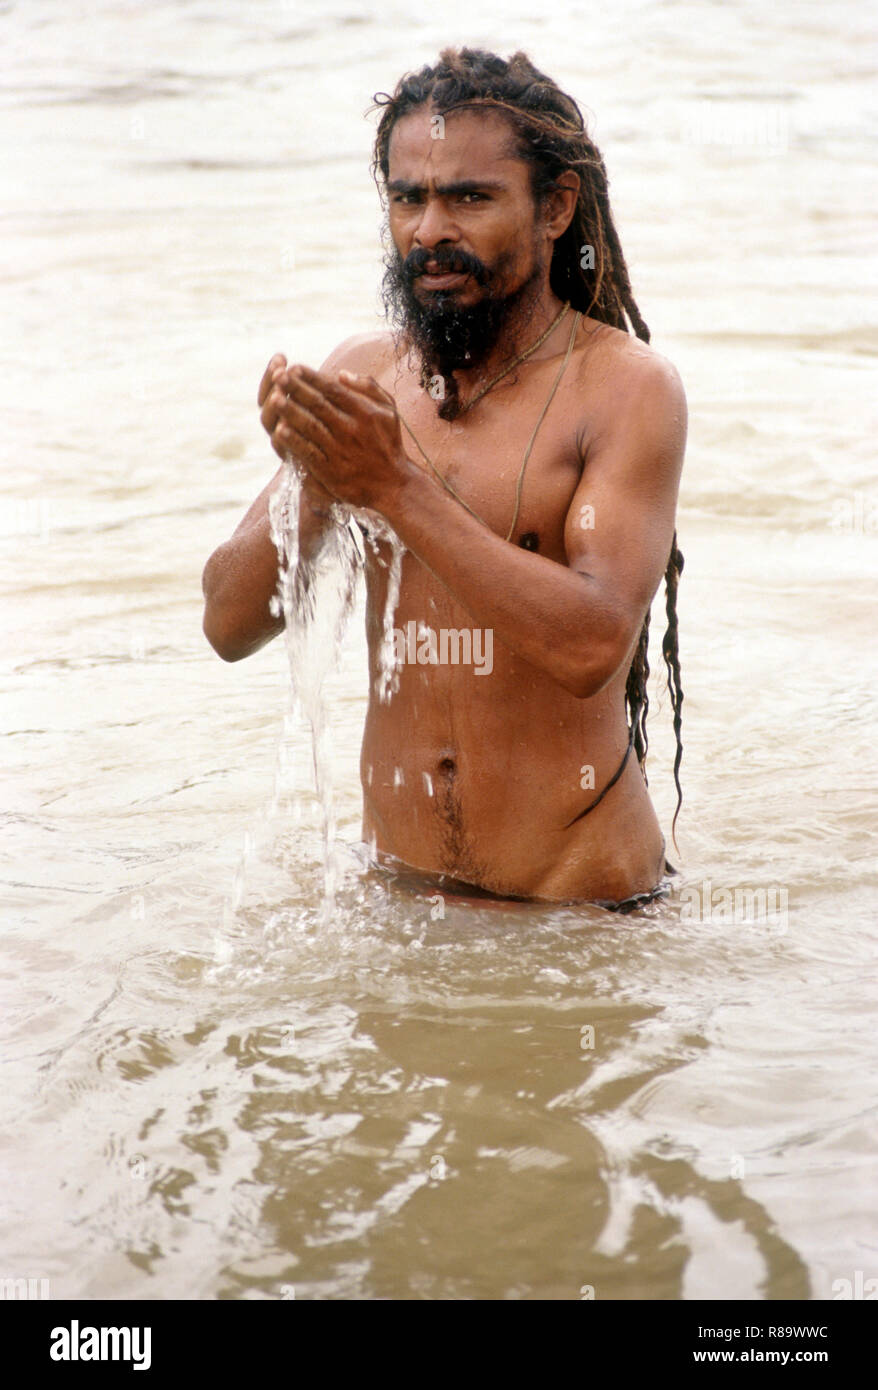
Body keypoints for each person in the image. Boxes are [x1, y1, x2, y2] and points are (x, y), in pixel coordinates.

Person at [201, 48, 687, 909]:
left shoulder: (624, 389)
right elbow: (229, 624)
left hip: (579, 910)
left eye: (469, 197)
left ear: (556, 208)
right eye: (407, 197)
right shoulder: (364, 376)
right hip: (400, 900)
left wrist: (391, 486)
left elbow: (591, 643)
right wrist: (318, 480)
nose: (429, 231)